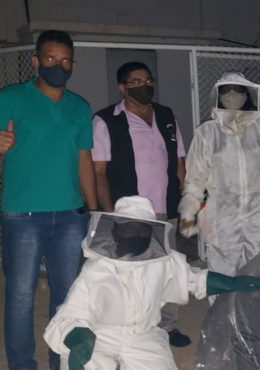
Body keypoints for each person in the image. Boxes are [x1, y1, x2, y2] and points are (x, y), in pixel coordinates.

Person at [0, 30, 97, 370]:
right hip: (22, 216)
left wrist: (94, 210)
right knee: (21, 297)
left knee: (68, 298)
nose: (59, 65)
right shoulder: (11, 98)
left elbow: (85, 161)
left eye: (66, 60)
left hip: (70, 216)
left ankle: (62, 360)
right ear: (36, 61)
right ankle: (22, 365)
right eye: (51, 58)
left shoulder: (80, 107)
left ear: (73, 64)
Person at [43, 196, 260, 370]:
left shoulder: (162, 262)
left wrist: (233, 283)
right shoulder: (96, 270)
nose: (136, 233)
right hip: (100, 334)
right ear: (115, 230)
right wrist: (78, 337)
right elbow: (70, 314)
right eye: (129, 228)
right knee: (82, 363)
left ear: (152, 233)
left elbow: (193, 279)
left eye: (143, 229)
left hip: (145, 334)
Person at [91, 61, 190, 347]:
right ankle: (133, 329)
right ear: (122, 88)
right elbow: (99, 173)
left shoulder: (166, 115)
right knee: (132, 274)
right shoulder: (105, 120)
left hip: (167, 208)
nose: (144, 85)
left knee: (169, 271)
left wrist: (186, 199)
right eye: (135, 82)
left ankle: (168, 326)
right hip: (131, 212)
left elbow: (179, 161)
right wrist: (110, 215)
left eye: (148, 80)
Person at [178, 71, 260, 282]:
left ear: (247, 94)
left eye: (238, 90)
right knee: (222, 275)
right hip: (221, 218)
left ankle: (258, 315)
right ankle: (225, 315)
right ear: (218, 95)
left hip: (259, 216)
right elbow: (195, 179)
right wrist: (188, 211)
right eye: (227, 91)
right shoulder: (207, 132)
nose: (232, 95)